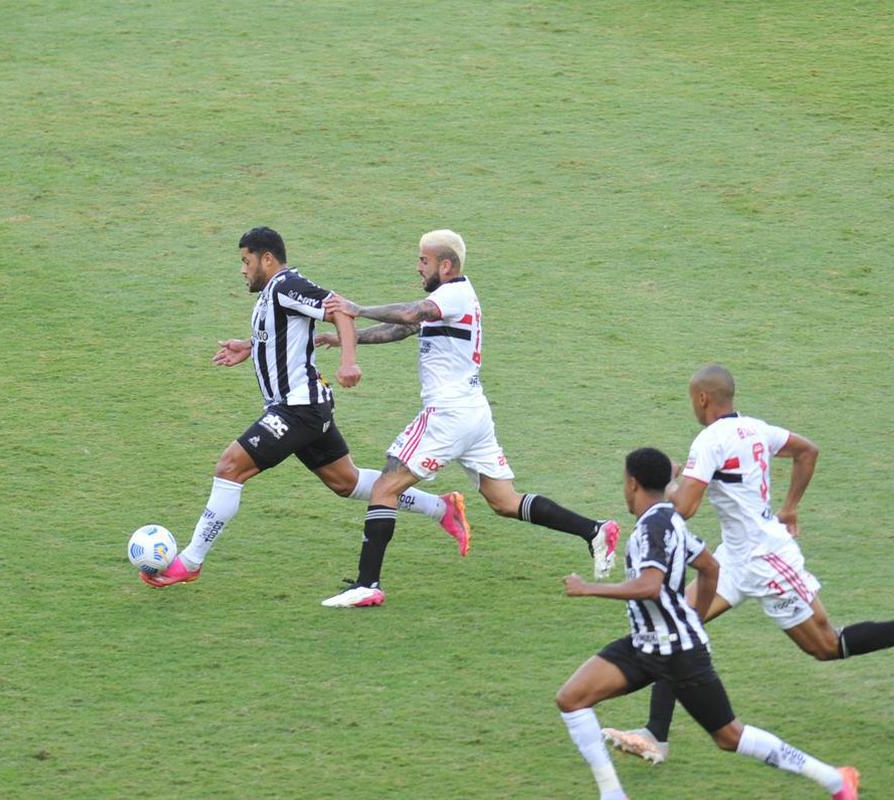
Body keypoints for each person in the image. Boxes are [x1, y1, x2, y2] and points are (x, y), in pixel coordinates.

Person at [139, 227, 471, 589]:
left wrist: (348, 361)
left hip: (297, 409)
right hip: (305, 408)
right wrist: (251, 346)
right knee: (346, 482)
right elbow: (284, 334)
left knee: (229, 467)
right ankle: (443, 508)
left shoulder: (285, 284)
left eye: (246, 262)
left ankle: (190, 561)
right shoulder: (271, 294)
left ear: (267, 259)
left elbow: (339, 309)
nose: (243, 270)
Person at [603, 365, 894, 764]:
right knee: (677, 626)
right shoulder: (756, 429)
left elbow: (683, 508)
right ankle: (656, 735)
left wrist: (662, 486)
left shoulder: (709, 441)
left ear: (703, 398)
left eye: (692, 398)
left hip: (767, 561)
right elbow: (807, 450)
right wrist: (789, 508)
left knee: (826, 646)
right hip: (734, 558)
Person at [318, 229, 619, 608]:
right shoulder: (450, 298)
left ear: (445, 265)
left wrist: (355, 308)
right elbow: (405, 327)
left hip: (447, 414)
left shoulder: (453, 294)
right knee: (504, 500)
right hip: (473, 413)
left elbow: (412, 312)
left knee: (386, 487)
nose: (417, 267)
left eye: (423, 261)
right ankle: (594, 530)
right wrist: (350, 338)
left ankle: (367, 584)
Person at [556, 447, 860, 800]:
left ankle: (835, 781)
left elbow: (650, 585)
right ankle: (612, 795)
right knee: (571, 698)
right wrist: (694, 617)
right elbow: (709, 567)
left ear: (632, 483)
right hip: (645, 645)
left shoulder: (654, 527)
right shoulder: (669, 518)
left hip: (679, 654)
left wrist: (589, 588)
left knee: (730, 736)